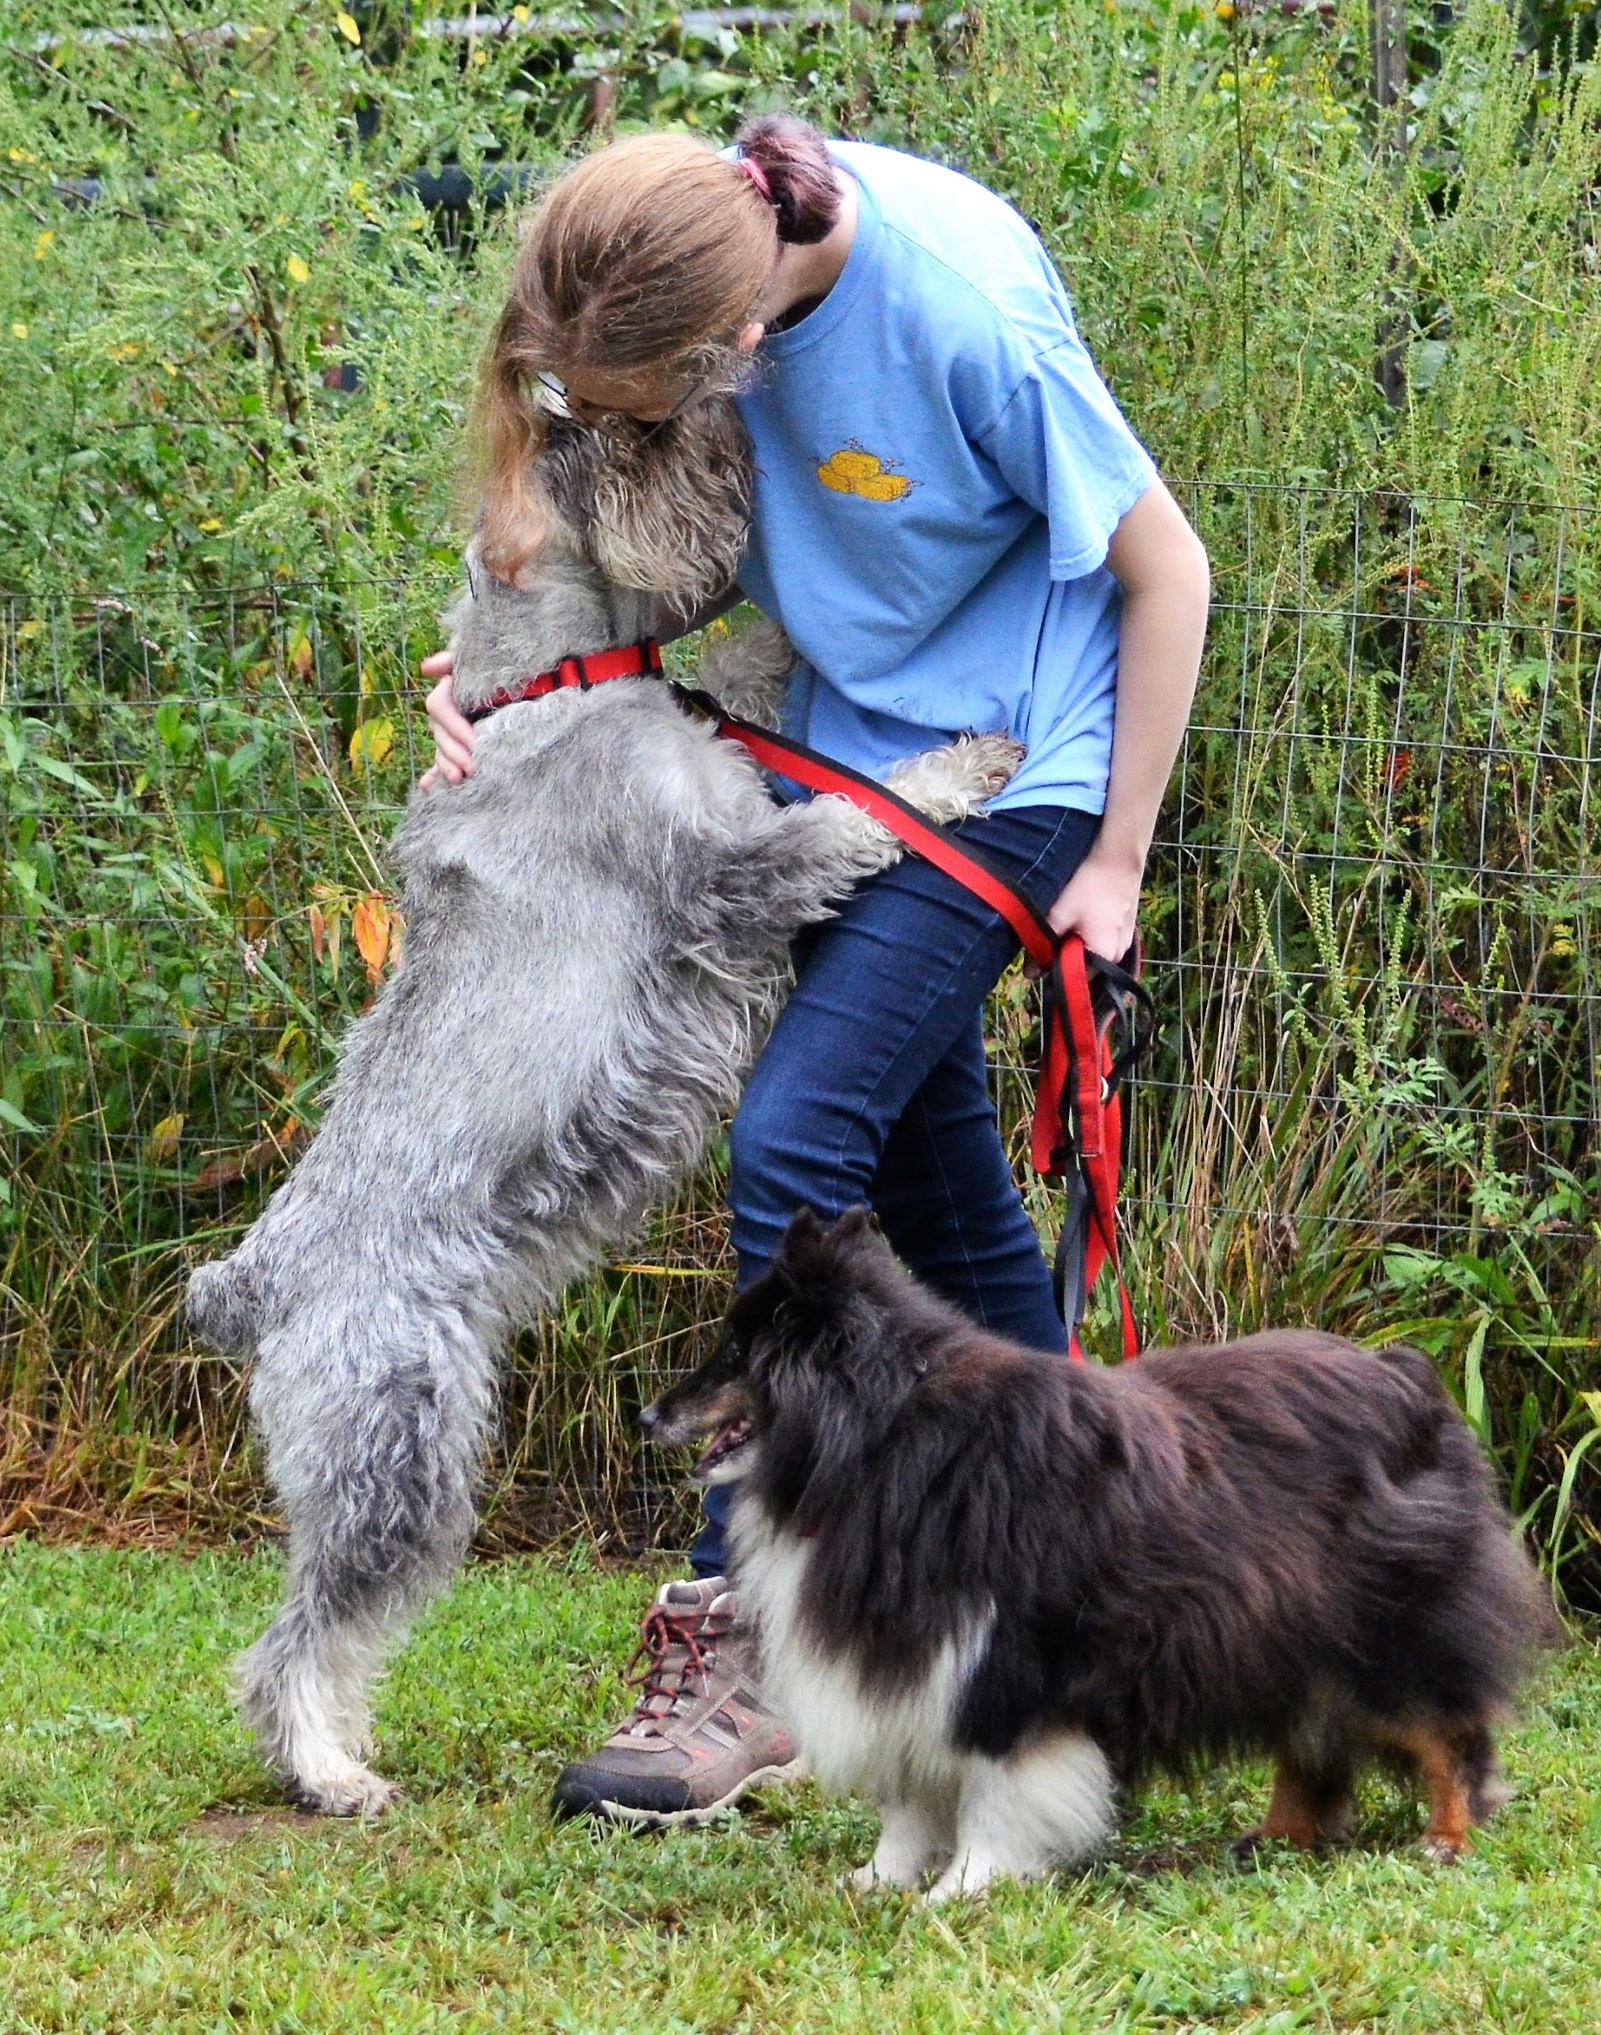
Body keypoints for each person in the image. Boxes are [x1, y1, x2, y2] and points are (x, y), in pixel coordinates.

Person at [419, 115, 1210, 1828]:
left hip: (1019, 764)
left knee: (794, 1144)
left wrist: (1118, 864)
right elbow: (626, 566)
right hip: (837, 759)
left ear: (743, 346)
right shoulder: (665, 255)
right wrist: (489, 682)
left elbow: (1170, 573)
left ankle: (740, 1645)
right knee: (941, 1180)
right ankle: (1103, 1579)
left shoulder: (963, 310)